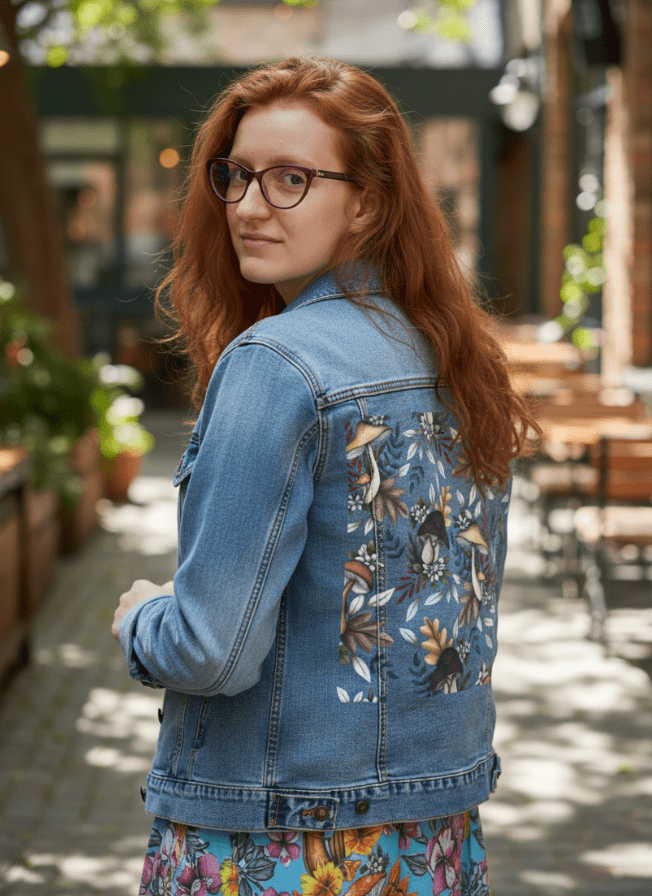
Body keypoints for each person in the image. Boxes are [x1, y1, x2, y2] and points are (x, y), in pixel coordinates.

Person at [112, 57, 536, 896]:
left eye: (291, 179)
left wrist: (139, 617)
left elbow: (208, 651)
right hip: (433, 843)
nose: (247, 205)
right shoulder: (455, 356)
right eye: (235, 175)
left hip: (281, 846)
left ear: (369, 202)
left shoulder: (277, 364)